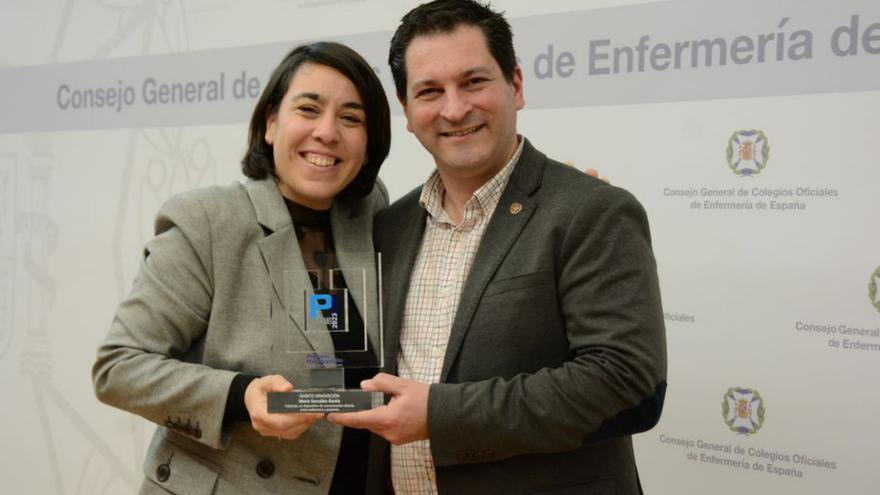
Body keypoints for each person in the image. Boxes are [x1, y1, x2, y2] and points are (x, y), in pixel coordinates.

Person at [328, 1, 668, 494]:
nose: (454, 108)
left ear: (517, 86)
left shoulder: (589, 211)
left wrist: (437, 414)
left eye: (474, 82)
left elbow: (627, 384)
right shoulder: (389, 228)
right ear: (406, 111)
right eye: (430, 91)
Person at [92, 41, 391, 494]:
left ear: (369, 143)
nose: (328, 132)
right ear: (271, 123)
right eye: (308, 109)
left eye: (351, 118)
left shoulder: (370, 212)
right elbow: (118, 367)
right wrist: (240, 395)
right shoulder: (208, 221)